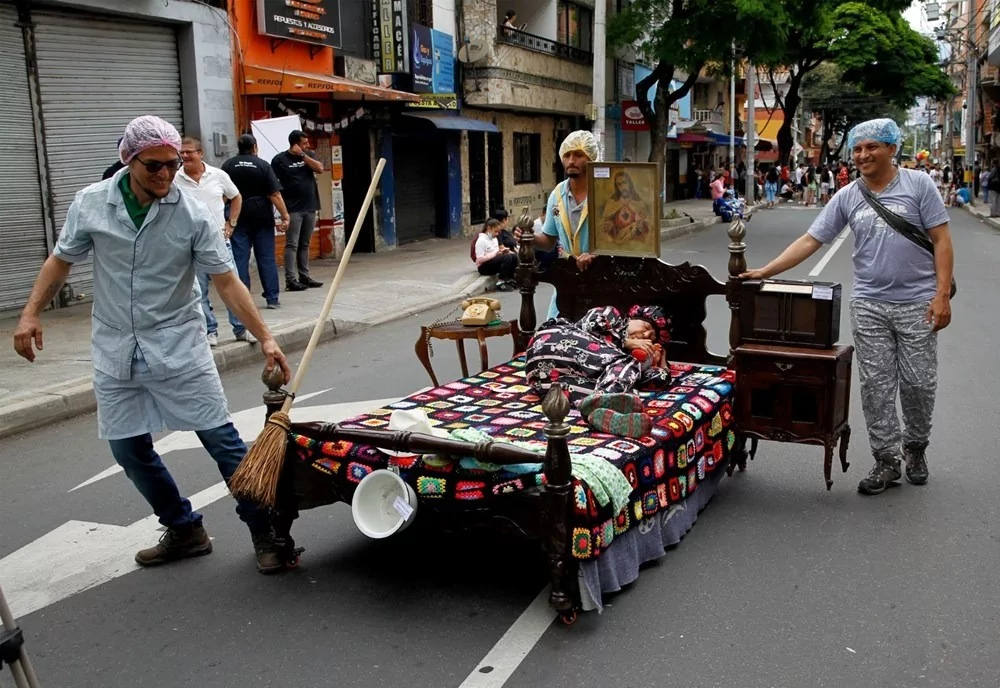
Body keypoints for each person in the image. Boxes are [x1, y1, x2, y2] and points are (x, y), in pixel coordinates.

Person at [12, 116, 294, 571]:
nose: (165, 174)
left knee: (222, 441)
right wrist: (29, 314)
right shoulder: (92, 204)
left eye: (172, 164)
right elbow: (60, 261)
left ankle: (267, 532)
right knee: (127, 449)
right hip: (115, 346)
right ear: (129, 161)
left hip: (178, 342)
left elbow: (226, 281)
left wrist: (265, 336)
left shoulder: (194, 211)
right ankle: (183, 529)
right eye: (154, 166)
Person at [741, 118, 954, 496]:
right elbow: (811, 240)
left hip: (917, 303)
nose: (862, 155)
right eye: (857, 149)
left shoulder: (918, 185)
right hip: (869, 304)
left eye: (871, 147)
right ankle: (886, 459)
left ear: (891, 148)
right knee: (875, 386)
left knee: (919, 383)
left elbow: (941, 240)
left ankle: (916, 447)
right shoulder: (849, 195)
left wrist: (940, 296)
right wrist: (766, 270)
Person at [525, 305, 673, 438]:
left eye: (652, 337)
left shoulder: (621, 367)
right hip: (550, 342)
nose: (646, 335)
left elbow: (657, 380)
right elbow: (588, 326)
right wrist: (625, 341)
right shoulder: (612, 316)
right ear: (631, 318)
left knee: (630, 394)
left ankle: (602, 417)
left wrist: (659, 360)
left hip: (545, 381)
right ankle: (606, 401)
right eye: (646, 327)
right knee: (626, 366)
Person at [176, 136, 254, 347]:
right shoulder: (175, 180)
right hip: (191, 247)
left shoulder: (218, 175)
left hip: (219, 242)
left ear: (200, 153)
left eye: (189, 152)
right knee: (199, 292)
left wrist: (232, 223)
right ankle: (210, 330)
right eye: (181, 152)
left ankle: (240, 328)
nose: (184, 156)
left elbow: (236, 197)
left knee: (232, 286)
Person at [514, 130, 598, 320]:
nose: (571, 161)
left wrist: (595, 255)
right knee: (555, 333)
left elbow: (621, 240)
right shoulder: (557, 194)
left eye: (578, 155)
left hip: (601, 279)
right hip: (568, 280)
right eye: (567, 155)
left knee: (596, 336)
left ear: (591, 157)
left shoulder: (605, 191)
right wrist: (529, 238)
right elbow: (549, 241)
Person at [222, 134, 289, 309]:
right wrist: (285, 216)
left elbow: (221, 194)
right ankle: (272, 298)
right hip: (261, 216)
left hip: (237, 217)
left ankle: (243, 299)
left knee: (239, 259)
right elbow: (274, 194)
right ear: (255, 148)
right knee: (266, 258)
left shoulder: (228, 165)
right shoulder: (263, 165)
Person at [271, 130, 324, 292]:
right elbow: (273, 183)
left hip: (310, 206)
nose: (307, 145)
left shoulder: (309, 155)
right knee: (292, 244)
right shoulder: (280, 160)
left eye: (307, 143)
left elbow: (320, 169)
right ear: (294, 144)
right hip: (292, 208)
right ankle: (290, 279)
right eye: (304, 143)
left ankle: (304, 276)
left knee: (305, 243)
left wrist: (303, 155)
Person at [599, 170, 653, 244]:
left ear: (630, 184)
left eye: (624, 183)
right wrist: (610, 225)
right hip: (617, 241)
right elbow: (604, 223)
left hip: (635, 241)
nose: (622, 187)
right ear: (617, 187)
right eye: (619, 184)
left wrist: (639, 223)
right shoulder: (613, 203)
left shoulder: (638, 201)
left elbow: (648, 225)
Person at [474, 218, 517, 289]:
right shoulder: (481, 241)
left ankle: (510, 278)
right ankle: (501, 282)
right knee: (507, 257)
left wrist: (503, 252)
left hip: (493, 262)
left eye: (498, 232)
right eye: (495, 231)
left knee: (513, 256)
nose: (497, 234)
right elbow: (479, 260)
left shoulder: (494, 239)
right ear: (489, 229)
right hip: (484, 267)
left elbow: (497, 253)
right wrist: (495, 254)